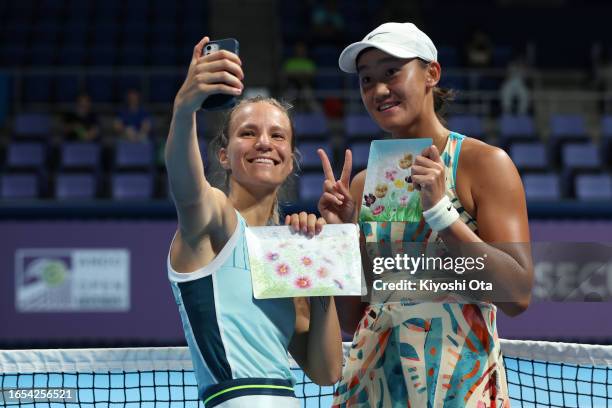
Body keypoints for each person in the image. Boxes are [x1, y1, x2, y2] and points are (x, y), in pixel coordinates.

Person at [317, 23, 533, 407]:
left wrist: (441, 214)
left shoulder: (484, 165)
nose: (378, 89)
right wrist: (342, 238)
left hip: (458, 390)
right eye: (366, 79)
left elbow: (517, 294)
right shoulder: (364, 184)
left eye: (391, 72)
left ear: (432, 73)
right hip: (372, 388)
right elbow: (352, 318)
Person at [165, 36, 342, 407]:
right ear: (224, 155)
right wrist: (185, 109)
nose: (264, 143)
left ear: (290, 161)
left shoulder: (286, 250)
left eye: (277, 136)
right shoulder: (214, 220)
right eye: (248, 133)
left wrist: (324, 266)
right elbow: (187, 187)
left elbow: (327, 372)